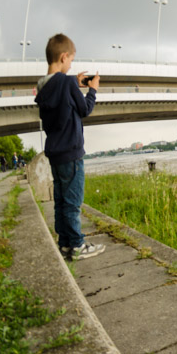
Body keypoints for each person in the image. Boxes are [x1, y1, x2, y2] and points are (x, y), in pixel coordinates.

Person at [35, 33, 105, 261]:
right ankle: (77, 245)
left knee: (61, 201)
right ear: (64, 56)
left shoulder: (43, 86)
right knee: (73, 202)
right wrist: (92, 89)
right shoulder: (65, 83)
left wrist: (73, 82)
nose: (71, 64)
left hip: (54, 152)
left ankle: (64, 243)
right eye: (71, 60)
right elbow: (84, 109)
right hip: (72, 152)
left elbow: (61, 99)